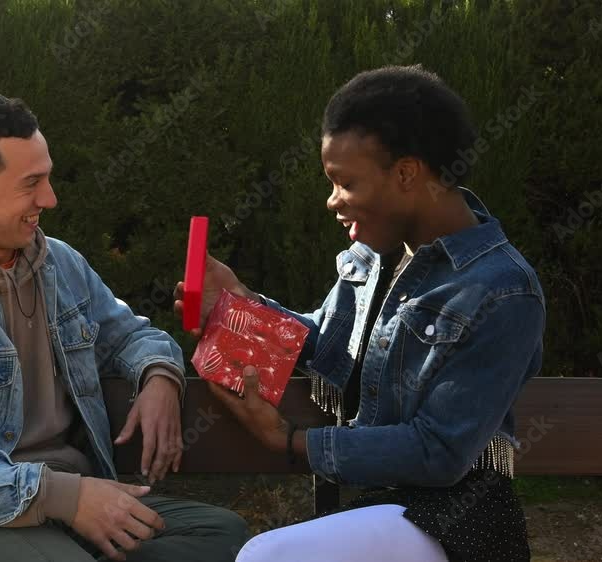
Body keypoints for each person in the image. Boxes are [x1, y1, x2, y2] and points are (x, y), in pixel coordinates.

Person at [175, 65, 545, 562]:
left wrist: (290, 440)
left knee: (267, 557)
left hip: (456, 522)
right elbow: (327, 347)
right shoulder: (374, 258)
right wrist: (241, 305)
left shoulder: (504, 290)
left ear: (407, 174)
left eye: (344, 182)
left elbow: (438, 452)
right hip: (374, 510)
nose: (332, 201)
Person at [0, 91, 248, 562]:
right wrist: (63, 495)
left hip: (70, 507)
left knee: (226, 538)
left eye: (47, 177)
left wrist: (159, 376)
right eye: (31, 184)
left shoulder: (59, 263)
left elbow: (131, 335)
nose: (50, 198)